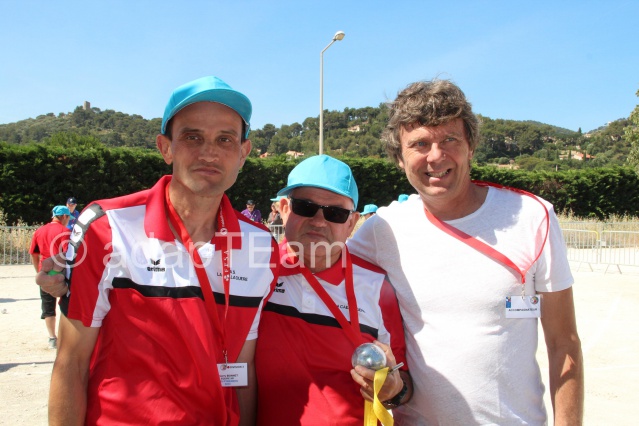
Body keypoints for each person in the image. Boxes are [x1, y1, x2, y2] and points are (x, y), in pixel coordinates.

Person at [36, 76, 279, 425]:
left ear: (243, 153)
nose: (209, 152)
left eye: (225, 139)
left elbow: (242, 367)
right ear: (166, 148)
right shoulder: (106, 227)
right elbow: (71, 362)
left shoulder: (262, 246)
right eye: (192, 137)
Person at [348, 79, 583, 425]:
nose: (436, 156)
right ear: (399, 158)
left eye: (450, 140)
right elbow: (318, 271)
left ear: (470, 146)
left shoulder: (533, 217)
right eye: (420, 144)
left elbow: (564, 343)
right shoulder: (382, 229)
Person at [255, 155, 412, 425]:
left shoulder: (377, 286)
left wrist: (393, 391)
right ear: (284, 209)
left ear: (351, 223)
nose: (319, 221)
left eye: (335, 213)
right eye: (305, 207)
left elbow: (404, 380)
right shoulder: (255, 273)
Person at [29, 205, 71, 349]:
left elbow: (34, 254)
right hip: (61, 274)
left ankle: (52, 338)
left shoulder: (39, 231)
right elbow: (68, 255)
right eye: (68, 217)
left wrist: (39, 271)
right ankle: (66, 337)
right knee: (66, 304)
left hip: (45, 272)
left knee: (48, 306)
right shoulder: (65, 232)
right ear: (64, 216)